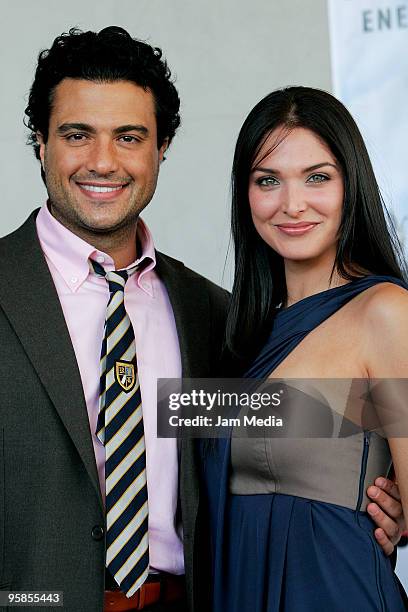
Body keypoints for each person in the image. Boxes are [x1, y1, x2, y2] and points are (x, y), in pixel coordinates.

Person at [0, 29, 402, 612]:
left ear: (161, 148)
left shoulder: (212, 315)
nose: (103, 161)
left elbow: (296, 435)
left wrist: (379, 503)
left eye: (129, 137)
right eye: (77, 135)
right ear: (40, 143)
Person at [201, 86, 408, 610]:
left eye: (317, 177)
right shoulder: (236, 333)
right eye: (268, 180)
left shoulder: (384, 312)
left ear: (350, 184)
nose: (293, 204)